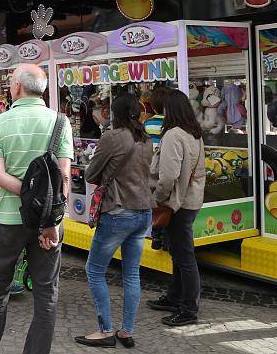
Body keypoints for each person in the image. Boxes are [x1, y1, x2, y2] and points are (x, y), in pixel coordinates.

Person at [0, 64, 74, 354]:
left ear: (17, 87)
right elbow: (64, 178)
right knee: (46, 292)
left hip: (7, 219)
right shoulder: (60, 122)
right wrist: (50, 215)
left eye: (9, 81)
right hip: (47, 222)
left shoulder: (0, 122)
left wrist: (29, 194)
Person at [75, 94, 153, 349]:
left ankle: (105, 329)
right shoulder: (146, 139)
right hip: (143, 210)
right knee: (132, 273)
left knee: (95, 270)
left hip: (118, 210)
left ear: (115, 113)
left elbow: (91, 174)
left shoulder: (112, 137)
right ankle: (126, 331)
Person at [146, 89, 206, 327]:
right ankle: (175, 296)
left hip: (176, 202)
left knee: (184, 257)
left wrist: (158, 198)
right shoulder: (195, 133)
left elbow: (168, 175)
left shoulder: (173, 134)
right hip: (191, 200)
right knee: (179, 254)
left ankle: (188, 308)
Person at [144, 86, 171, 251]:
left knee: (154, 202)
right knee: (166, 202)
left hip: (150, 167)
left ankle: (156, 235)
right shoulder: (171, 123)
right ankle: (165, 235)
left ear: (153, 106)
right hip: (166, 166)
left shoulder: (148, 123)